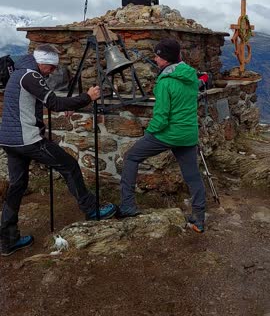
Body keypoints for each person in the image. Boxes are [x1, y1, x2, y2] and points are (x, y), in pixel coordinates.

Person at [0, 44, 117, 256]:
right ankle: (91, 210)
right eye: (51, 68)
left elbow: (36, 104)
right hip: (28, 140)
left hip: (10, 140)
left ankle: (8, 241)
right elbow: (54, 103)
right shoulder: (31, 75)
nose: (52, 72)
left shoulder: (18, 73)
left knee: (17, 186)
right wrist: (87, 97)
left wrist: (66, 105)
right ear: (43, 62)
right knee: (69, 166)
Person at [118, 38, 206, 233]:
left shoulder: (165, 82)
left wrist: (149, 132)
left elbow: (161, 117)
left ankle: (127, 206)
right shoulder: (192, 78)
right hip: (189, 134)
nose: (155, 60)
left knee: (131, 157)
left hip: (168, 133)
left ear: (165, 59)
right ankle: (198, 219)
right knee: (192, 176)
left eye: (157, 56)